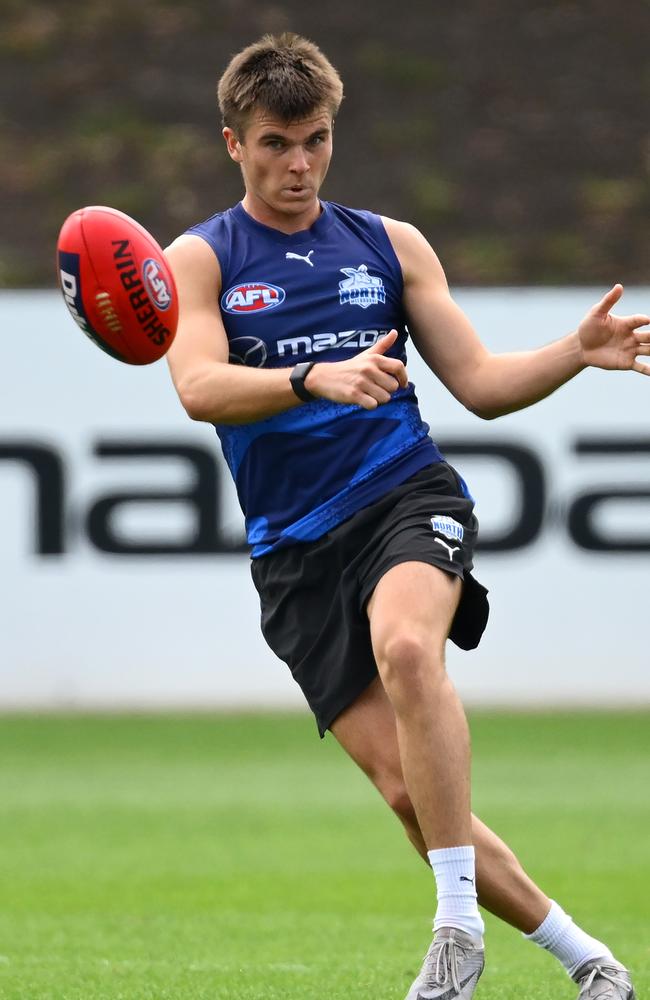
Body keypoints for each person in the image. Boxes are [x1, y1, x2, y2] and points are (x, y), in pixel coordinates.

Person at [164, 33, 647, 1000]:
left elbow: (479, 386)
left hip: (404, 494)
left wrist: (572, 350)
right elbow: (198, 388)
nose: (298, 164)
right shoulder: (202, 258)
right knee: (407, 793)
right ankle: (588, 962)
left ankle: (455, 923)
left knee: (410, 649)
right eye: (274, 144)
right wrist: (311, 377)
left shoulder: (389, 243)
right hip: (294, 552)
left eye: (316, 140)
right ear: (233, 144)